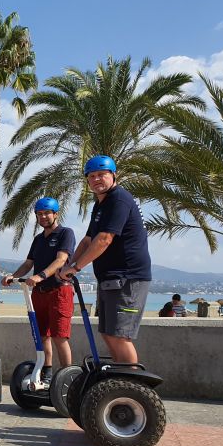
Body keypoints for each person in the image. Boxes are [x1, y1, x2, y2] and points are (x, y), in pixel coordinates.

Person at [59, 155, 152, 364]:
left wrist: (76, 267)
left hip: (128, 278)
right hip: (111, 278)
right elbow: (88, 240)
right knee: (109, 333)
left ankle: (132, 387)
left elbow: (104, 239)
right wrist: (68, 265)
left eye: (102, 174)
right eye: (91, 176)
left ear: (113, 175)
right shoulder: (101, 204)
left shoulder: (119, 199)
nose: (96, 180)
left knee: (120, 336)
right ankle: (120, 384)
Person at [2, 197, 76, 381]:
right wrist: (13, 275)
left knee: (60, 337)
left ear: (55, 214)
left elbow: (60, 260)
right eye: (39, 214)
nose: (43, 217)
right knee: (43, 336)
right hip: (39, 293)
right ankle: (47, 373)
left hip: (59, 291)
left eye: (46, 213)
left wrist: (40, 276)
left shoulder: (65, 233)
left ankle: (69, 379)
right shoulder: (38, 239)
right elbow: (28, 263)